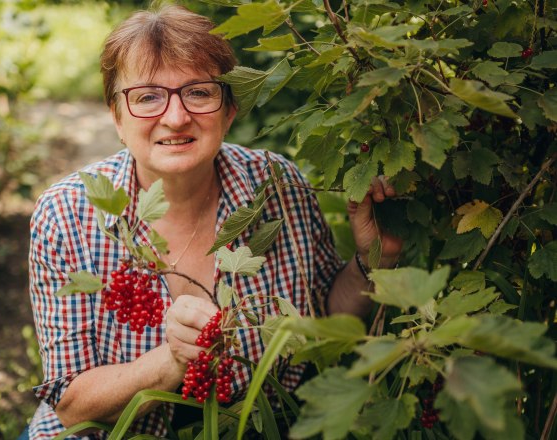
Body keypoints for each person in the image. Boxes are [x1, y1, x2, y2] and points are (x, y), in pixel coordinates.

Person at [24, 4, 402, 439]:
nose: (176, 116)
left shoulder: (277, 187)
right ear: (117, 118)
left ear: (230, 110)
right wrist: (172, 360)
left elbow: (321, 320)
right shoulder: (68, 214)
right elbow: (72, 404)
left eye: (199, 92)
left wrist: (375, 257)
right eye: (148, 96)